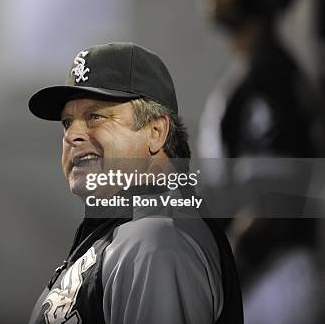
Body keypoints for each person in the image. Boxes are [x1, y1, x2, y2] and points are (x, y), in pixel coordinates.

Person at [27, 42, 243, 324]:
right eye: (67, 122)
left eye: (95, 116)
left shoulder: (157, 240)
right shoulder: (128, 229)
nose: (72, 136)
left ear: (156, 131)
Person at [198, 0, 321, 323]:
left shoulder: (271, 81)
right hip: (263, 278)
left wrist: (218, 284)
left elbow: (269, 208)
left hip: (272, 284)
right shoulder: (257, 71)